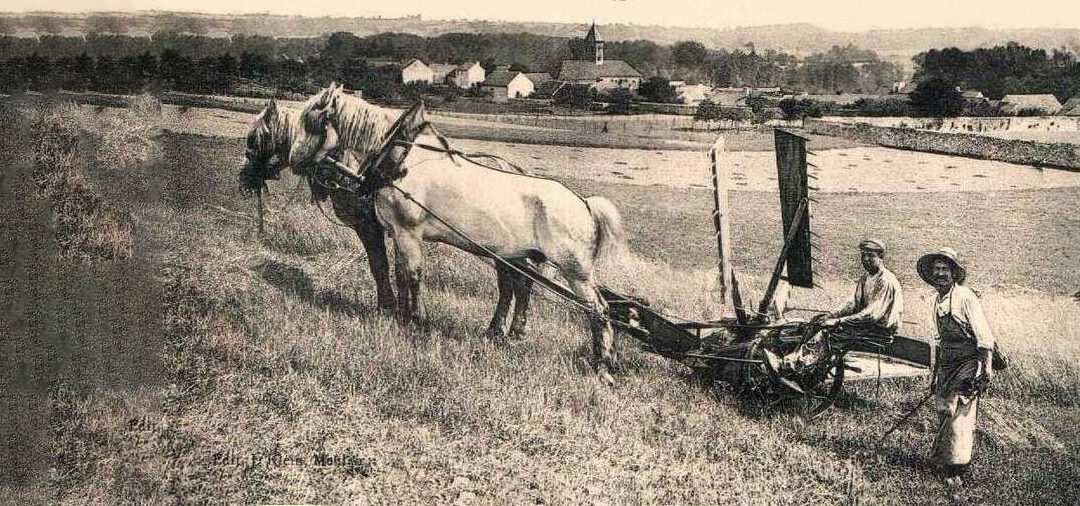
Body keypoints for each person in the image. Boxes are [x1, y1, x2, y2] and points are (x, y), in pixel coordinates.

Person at [917, 247, 995, 490]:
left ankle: (957, 469)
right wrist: (935, 371)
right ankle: (943, 460)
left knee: (959, 413)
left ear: (954, 273)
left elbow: (984, 336)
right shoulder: (934, 301)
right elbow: (938, 340)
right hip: (947, 362)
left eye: (945, 269)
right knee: (943, 408)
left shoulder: (965, 296)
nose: (940, 274)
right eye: (936, 270)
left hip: (968, 361)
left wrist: (986, 368)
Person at [818, 238, 904, 340]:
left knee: (826, 338)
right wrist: (830, 315)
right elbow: (852, 303)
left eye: (871, 256)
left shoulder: (885, 280)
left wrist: (836, 321)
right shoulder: (865, 277)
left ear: (880, 257)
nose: (866, 259)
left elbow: (871, 316)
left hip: (879, 334)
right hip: (866, 329)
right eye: (864, 255)